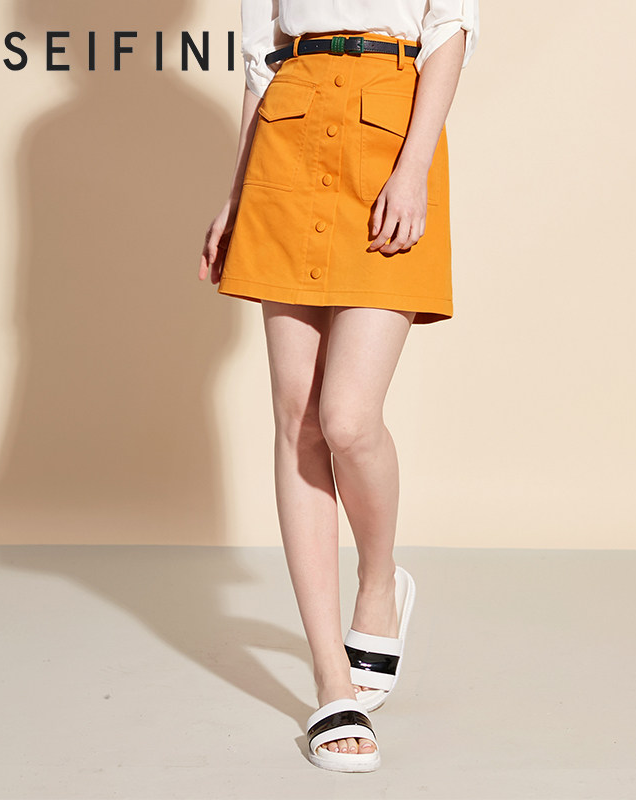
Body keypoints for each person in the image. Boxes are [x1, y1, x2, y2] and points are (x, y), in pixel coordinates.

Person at [198, 1, 479, 773]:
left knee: (347, 419)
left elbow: (451, 28)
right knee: (298, 422)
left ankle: (378, 582)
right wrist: (237, 194)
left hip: (389, 136)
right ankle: (331, 682)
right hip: (285, 145)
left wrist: (415, 168)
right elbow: (262, 59)